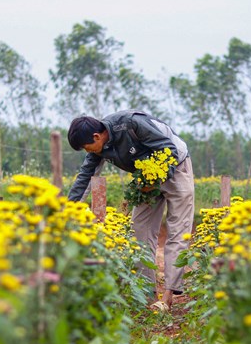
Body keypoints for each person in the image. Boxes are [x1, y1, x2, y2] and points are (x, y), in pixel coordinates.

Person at [67, 110, 194, 312]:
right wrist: (67, 212)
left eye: (85, 147)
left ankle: (169, 295)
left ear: (96, 136)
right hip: (145, 177)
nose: (87, 151)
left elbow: (168, 148)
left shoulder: (131, 124)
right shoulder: (98, 150)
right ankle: (146, 295)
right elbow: (84, 178)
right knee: (139, 232)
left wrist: (155, 180)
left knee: (178, 230)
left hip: (176, 166)